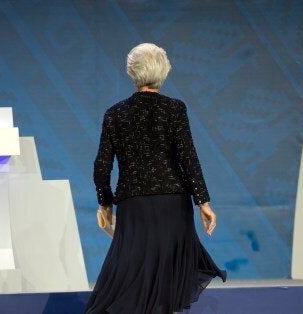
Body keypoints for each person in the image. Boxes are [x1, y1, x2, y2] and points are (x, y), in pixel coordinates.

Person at [85, 43, 226, 314]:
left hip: (134, 205)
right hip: (173, 204)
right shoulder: (174, 109)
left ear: (131, 71)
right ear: (164, 70)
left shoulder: (115, 113)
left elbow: (102, 165)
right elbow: (188, 158)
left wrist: (105, 203)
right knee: (167, 278)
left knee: (133, 274)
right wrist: (203, 202)